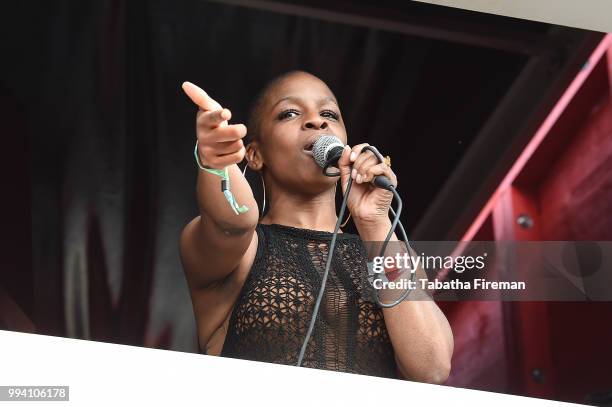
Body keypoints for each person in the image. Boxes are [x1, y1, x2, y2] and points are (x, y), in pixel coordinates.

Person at [179, 70, 453, 382]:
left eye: (328, 114)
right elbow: (234, 219)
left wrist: (374, 224)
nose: (316, 121)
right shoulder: (244, 250)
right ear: (254, 155)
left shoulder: (391, 254)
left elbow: (432, 367)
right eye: (290, 113)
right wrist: (217, 163)